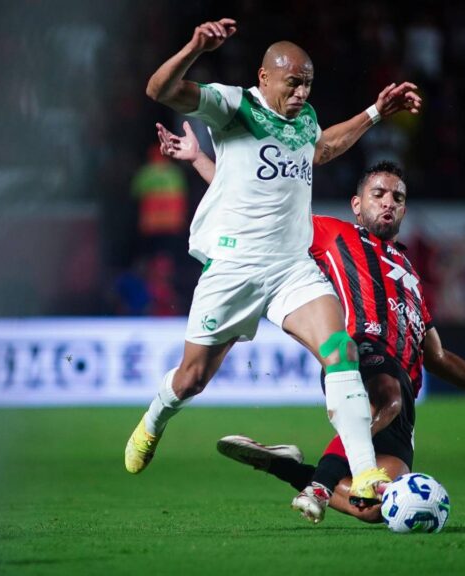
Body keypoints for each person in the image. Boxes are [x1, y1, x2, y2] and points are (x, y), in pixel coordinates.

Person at [157, 123, 465, 523]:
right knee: (387, 396)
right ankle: (319, 487)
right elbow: (257, 207)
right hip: (358, 356)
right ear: (357, 205)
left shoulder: (409, 272)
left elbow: (437, 356)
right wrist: (200, 160)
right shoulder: (333, 234)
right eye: (377, 194)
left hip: (403, 400)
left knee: (376, 510)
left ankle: (285, 466)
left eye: (397, 197)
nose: (388, 202)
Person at [127, 17, 423, 506]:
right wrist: (195, 47)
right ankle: (155, 418)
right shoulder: (233, 105)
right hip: (234, 269)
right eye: (293, 82)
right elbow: (160, 88)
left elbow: (322, 147)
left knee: (340, 350)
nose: (302, 91)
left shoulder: (303, 120)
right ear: (264, 77)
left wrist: (374, 112)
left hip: (291, 268)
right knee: (192, 378)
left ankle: (365, 471)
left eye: (308, 83)